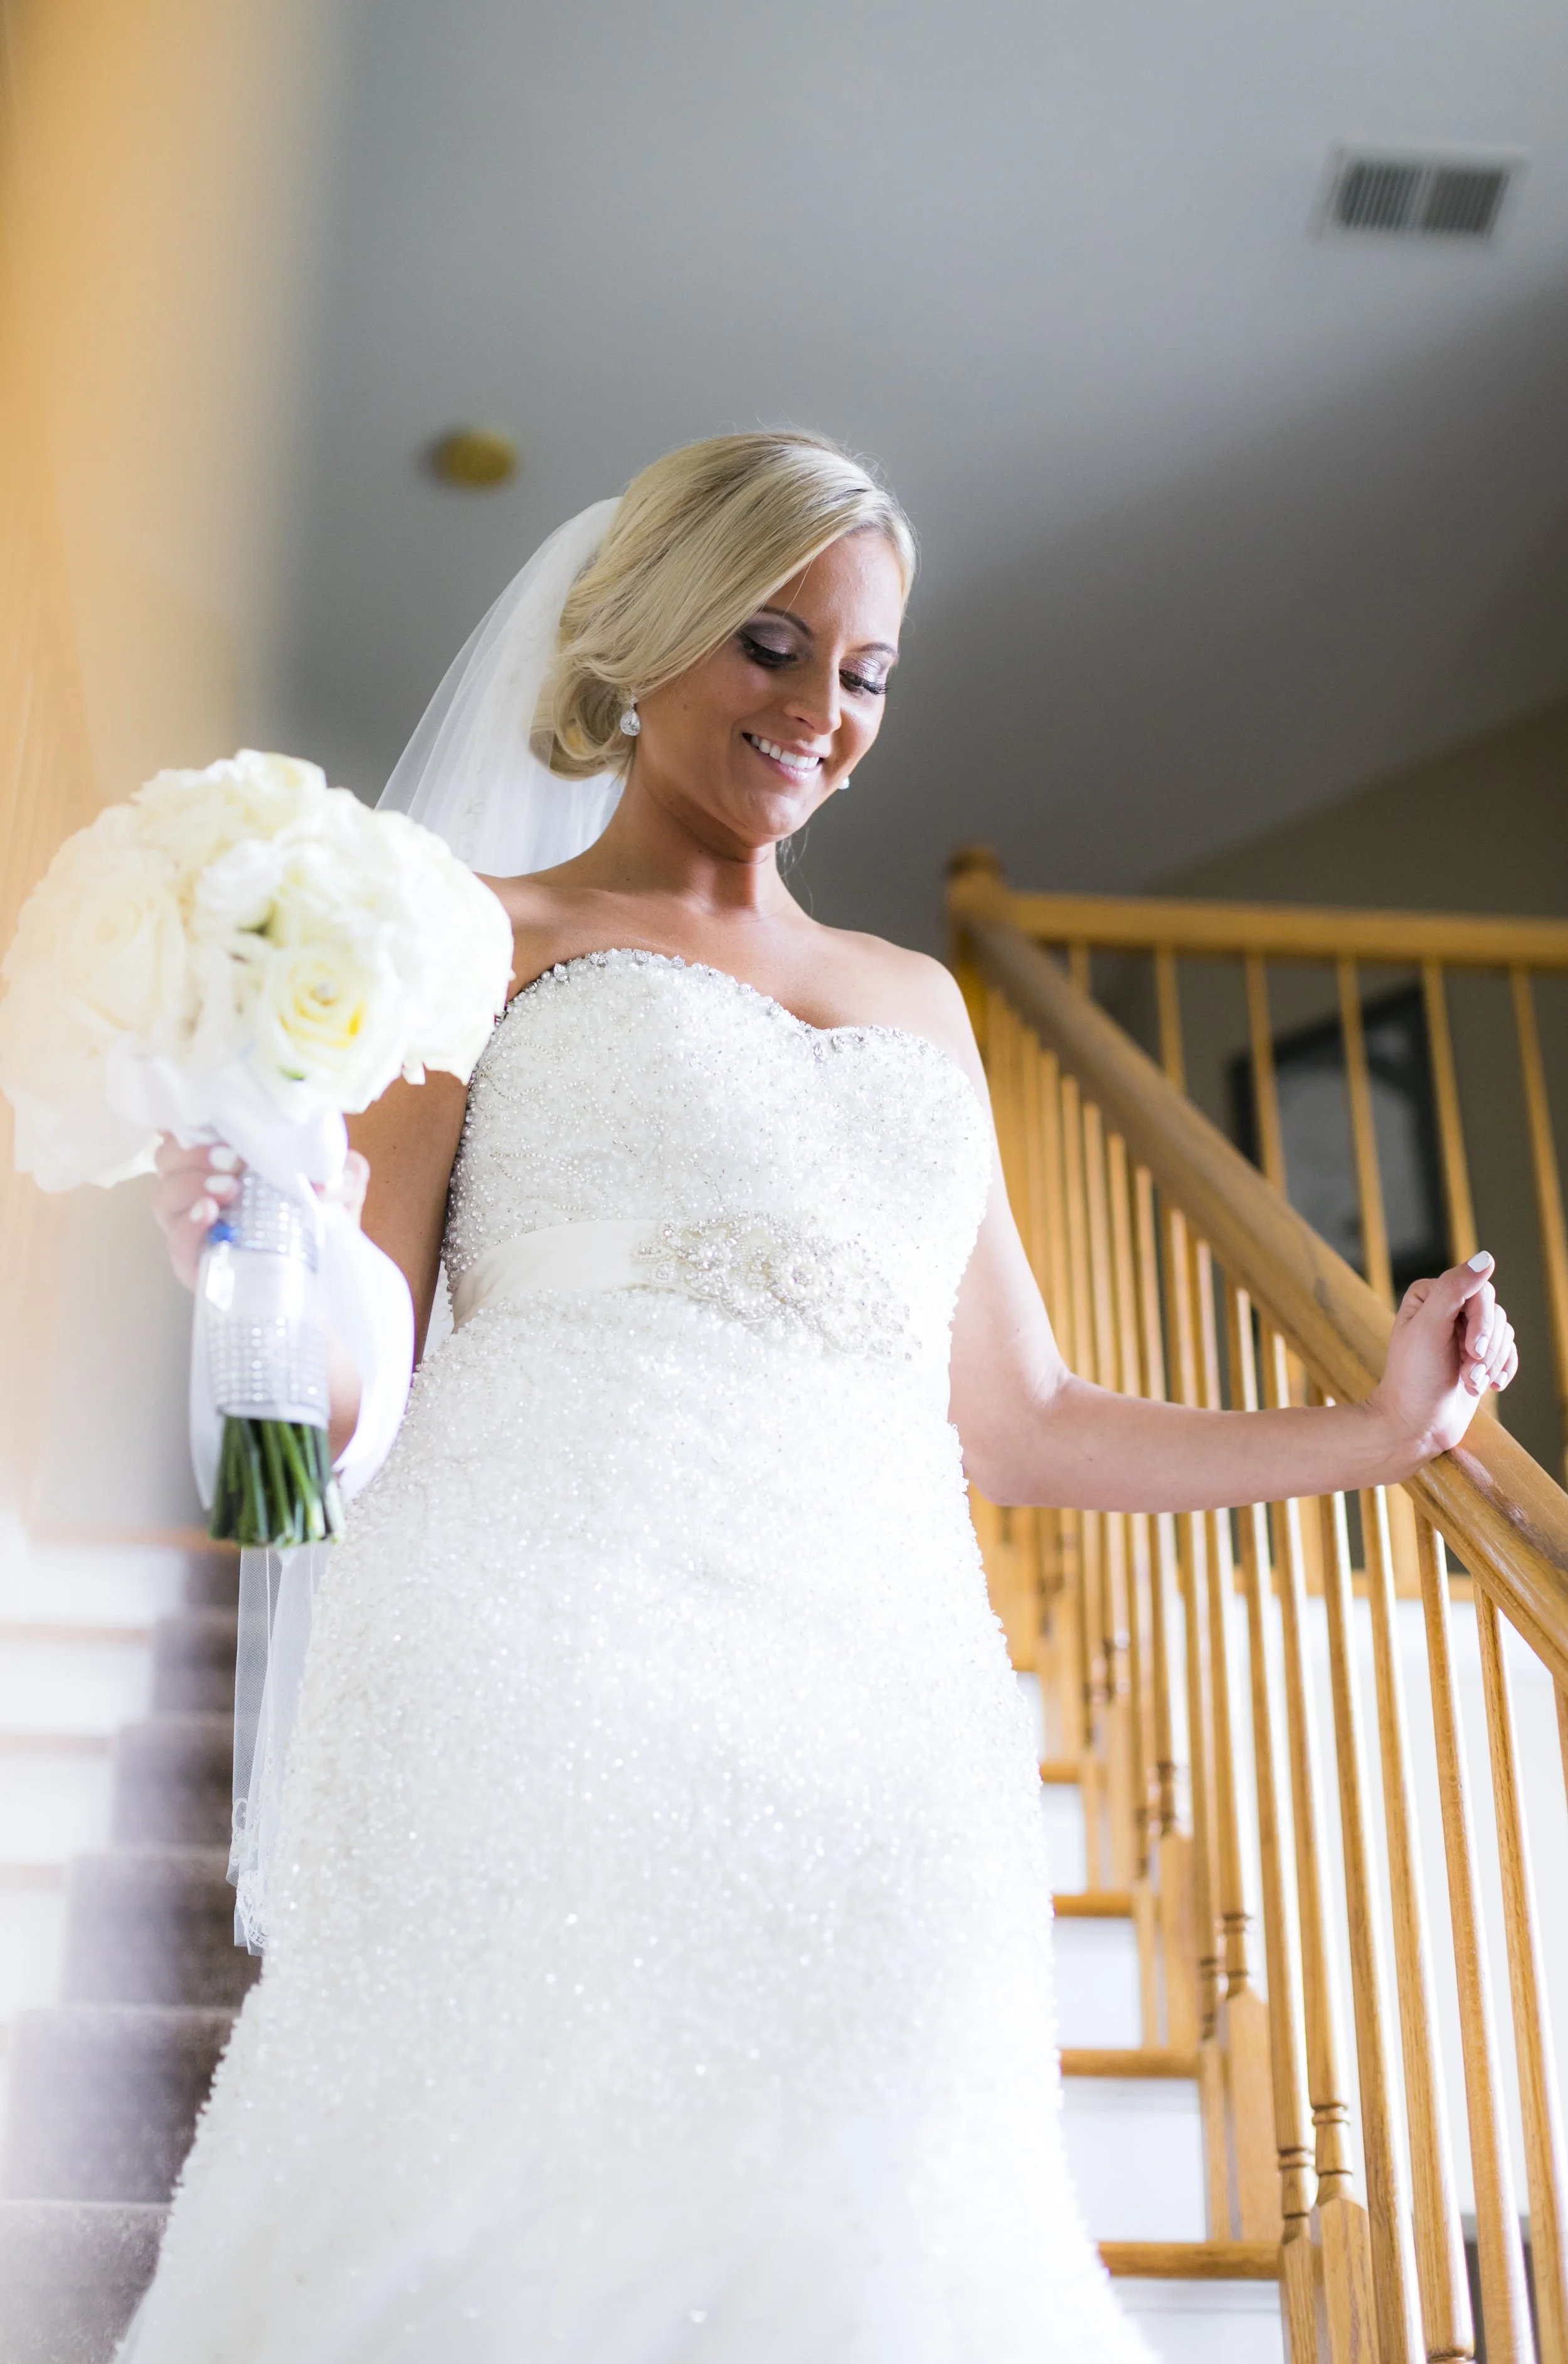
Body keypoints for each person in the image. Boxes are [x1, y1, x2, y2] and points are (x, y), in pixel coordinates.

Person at [135, 430, 1515, 2362]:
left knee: (882, 2198)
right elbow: (377, 1317)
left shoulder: (917, 1001)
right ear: (643, 642)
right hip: (546, 1616)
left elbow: (1020, 1414)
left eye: (863, 672)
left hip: (884, 1680)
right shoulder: (473, 935)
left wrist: (1373, 1432)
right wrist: (265, 1269)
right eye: (770, 646)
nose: (821, 712)